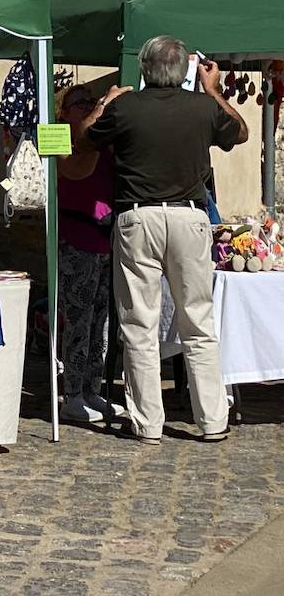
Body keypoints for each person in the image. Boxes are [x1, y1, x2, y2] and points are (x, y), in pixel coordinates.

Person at [74, 35, 248, 444]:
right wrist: (212, 89)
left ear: (145, 69)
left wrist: (105, 101)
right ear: (184, 69)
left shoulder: (126, 107)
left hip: (139, 217)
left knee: (139, 323)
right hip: (189, 217)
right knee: (199, 322)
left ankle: (148, 422)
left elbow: (81, 140)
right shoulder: (203, 107)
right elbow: (238, 133)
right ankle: (211, 421)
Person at [55, 83, 119, 423]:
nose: (87, 106)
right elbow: (73, 169)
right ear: (65, 110)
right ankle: (72, 393)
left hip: (104, 239)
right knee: (78, 319)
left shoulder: (101, 138)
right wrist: (96, 121)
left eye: (90, 102)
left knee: (101, 321)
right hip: (75, 236)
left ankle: (92, 388)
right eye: (80, 102)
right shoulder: (56, 133)